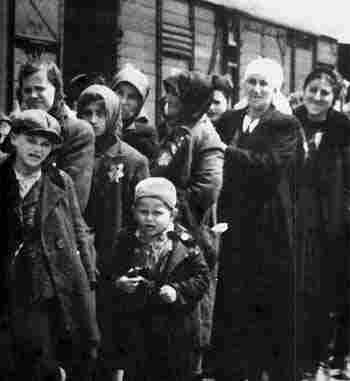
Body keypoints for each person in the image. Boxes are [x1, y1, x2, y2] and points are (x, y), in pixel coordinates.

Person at [212, 57, 301, 381]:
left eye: (264, 84)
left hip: (267, 226)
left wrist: (226, 151)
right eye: (252, 82)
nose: (257, 89)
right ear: (243, 85)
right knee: (233, 298)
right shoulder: (230, 119)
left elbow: (270, 165)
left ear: (275, 88)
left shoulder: (285, 125)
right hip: (232, 221)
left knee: (265, 300)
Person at [0, 109, 99, 380]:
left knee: (46, 364)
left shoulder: (60, 181)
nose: (38, 150)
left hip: (47, 290)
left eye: (46, 144)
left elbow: (78, 230)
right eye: (31, 141)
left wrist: (88, 278)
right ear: (15, 139)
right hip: (8, 291)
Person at [152, 69, 225, 379]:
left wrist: (163, 201)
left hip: (190, 238)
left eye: (175, 94)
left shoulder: (206, 137)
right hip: (162, 231)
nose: (167, 98)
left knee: (188, 321)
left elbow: (206, 190)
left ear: (192, 101)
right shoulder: (177, 129)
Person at [106, 177, 209, 381]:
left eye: (157, 213)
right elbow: (109, 272)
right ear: (134, 211)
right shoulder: (125, 239)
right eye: (143, 212)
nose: (149, 219)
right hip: (137, 327)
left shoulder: (185, 243)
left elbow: (202, 278)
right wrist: (119, 282)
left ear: (173, 213)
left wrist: (177, 291)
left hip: (175, 329)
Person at [294, 67, 350, 378]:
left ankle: (317, 359)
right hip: (295, 217)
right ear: (303, 90)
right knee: (295, 289)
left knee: (323, 293)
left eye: (324, 92)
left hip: (331, 224)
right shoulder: (289, 121)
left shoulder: (343, 129)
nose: (317, 97)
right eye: (312, 89)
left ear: (334, 97)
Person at [77, 84, 149, 257]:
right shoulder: (72, 154)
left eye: (101, 114)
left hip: (115, 252)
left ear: (113, 114)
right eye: (87, 113)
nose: (93, 120)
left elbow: (142, 216)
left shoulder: (133, 161)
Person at [16, 58, 95, 213]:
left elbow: (74, 201)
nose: (33, 95)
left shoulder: (77, 132)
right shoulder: (18, 129)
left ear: (56, 89)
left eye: (40, 89)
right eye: (27, 90)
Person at [111, 63, 159, 161]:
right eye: (120, 93)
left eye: (131, 97)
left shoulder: (145, 136)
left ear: (140, 103)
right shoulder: (97, 123)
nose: (123, 101)